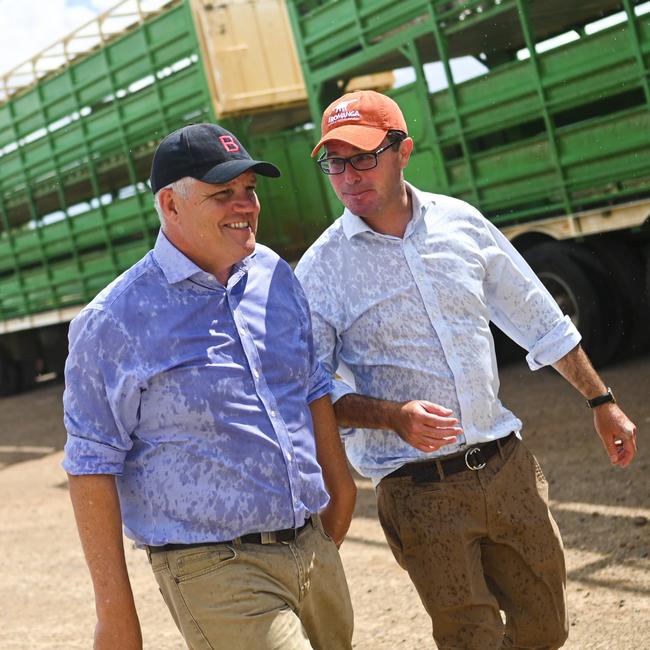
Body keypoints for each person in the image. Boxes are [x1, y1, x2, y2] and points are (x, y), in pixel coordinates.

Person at [295, 90, 638, 650]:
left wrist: (602, 402)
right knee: (470, 637)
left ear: (402, 151)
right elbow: (309, 389)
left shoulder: (461, 224)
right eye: (334, 162)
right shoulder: (321, 270)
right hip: (416, 488)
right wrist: (392, 416)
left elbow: (539, 318)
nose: (347, 175)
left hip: (506, 469)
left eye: (362, 157)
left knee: (545, 628)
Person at [62, 123, 356, 650]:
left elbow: (310, 384)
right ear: (170, 205)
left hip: (312, 546)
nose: (244, 205)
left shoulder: (274, 275)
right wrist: (115, 614)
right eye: (223, 194)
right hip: (211, 565)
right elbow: (91, 463)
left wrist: (342, 486)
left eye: (250, 190)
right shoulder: (114, 319)